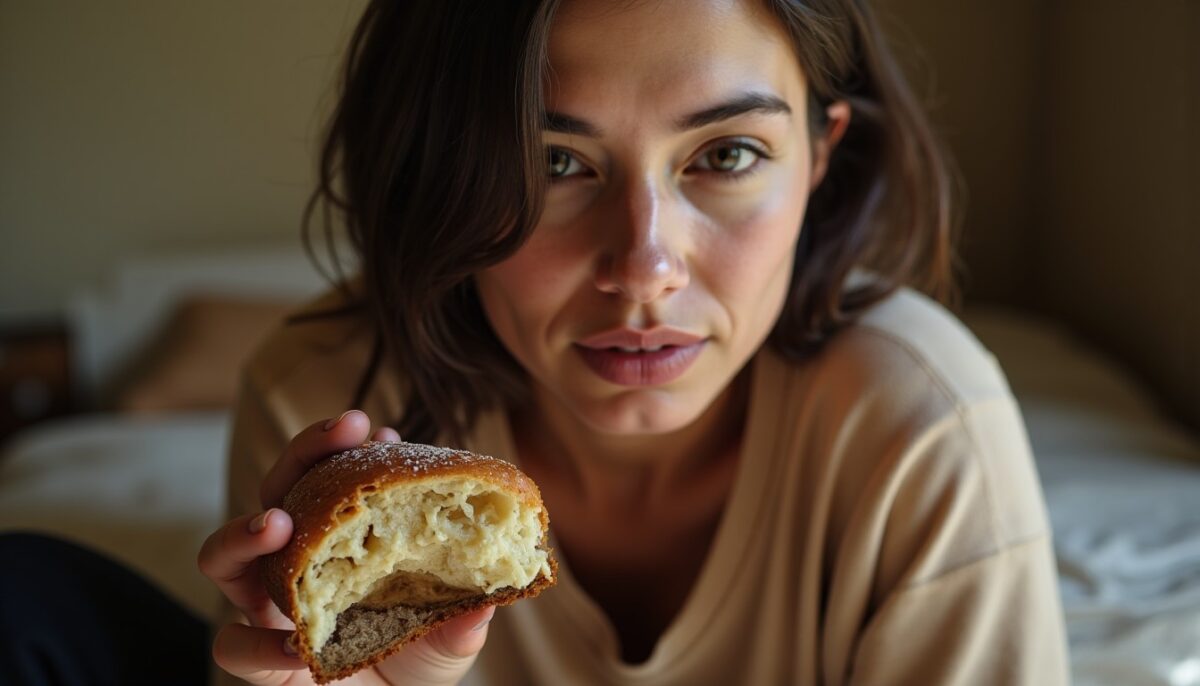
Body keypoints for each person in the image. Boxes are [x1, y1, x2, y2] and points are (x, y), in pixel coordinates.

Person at [198, 0, 1071, 684]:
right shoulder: (322, 412)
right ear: (439, 176)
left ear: (819, 158)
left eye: (727, 155)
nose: (645, 267)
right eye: (553, 164)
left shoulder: (922, 425)